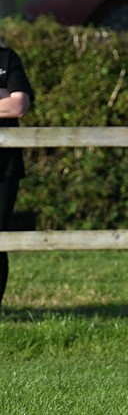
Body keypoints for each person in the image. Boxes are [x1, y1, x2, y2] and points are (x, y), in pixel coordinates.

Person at [0, 37, 34, 309]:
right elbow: (7, 103)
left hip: (4, 168)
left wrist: (9, 101)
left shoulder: (7, 58)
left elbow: (18, 106)